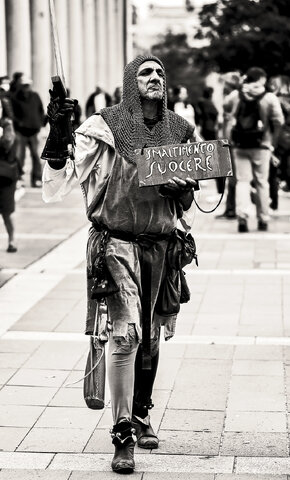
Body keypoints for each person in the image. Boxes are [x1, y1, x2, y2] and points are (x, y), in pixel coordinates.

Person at [42, 54, 201, 474]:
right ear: (131, 82)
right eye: (146, 72)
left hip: (162, 247)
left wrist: (182, 189)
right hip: (116, 245)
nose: (155, 78)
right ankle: (123, 434)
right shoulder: (104, 126)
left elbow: (187, 202)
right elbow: (63, 174)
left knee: (150, 339)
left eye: (160, 72)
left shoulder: (181, 129)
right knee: (126, 337)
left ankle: (143, 411)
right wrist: (58, 133)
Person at [224, 67, 284, 232]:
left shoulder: (236, 95)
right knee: (261, 182)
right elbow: (279, 121)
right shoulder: (269, 97)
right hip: (262, 145)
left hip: (240, 145)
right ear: (261, 79)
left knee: (243, 182)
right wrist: (273, 143)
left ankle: (242, 218)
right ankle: (263, 219)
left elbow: (226, 108)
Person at [10, 73, 45, 188]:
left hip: (34, 130)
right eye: (24, 85)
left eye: (28, 85)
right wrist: (19, 123)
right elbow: (12, 113)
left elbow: (41, 110)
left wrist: (40, 123)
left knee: (36, 155)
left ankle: (37, 178)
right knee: (20, 155)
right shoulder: (15, 97)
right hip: (21, 131)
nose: (26, 87)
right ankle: (19, 178)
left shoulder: (35, 96)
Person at [0, 84, 19, 252]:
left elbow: (7, 144)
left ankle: (12, 240)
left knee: (6, 211)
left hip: (4, 174)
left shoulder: (6, 125)